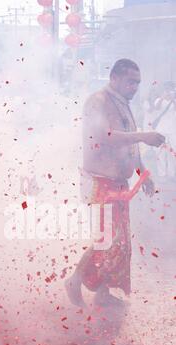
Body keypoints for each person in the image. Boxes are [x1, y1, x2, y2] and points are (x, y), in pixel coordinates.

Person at [65, 58, 165, 307]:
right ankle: (74, 281)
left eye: (137, 83)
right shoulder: (98, 101)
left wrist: (144, 174)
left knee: (120, 244)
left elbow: (130, 144)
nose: (134, 87)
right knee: (107, 239)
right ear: (115, 78)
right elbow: (103, 136)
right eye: (130, 81)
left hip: (120, 184)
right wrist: (143, 135)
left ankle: (103, 292)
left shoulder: (124, 104)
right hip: (101, 182)